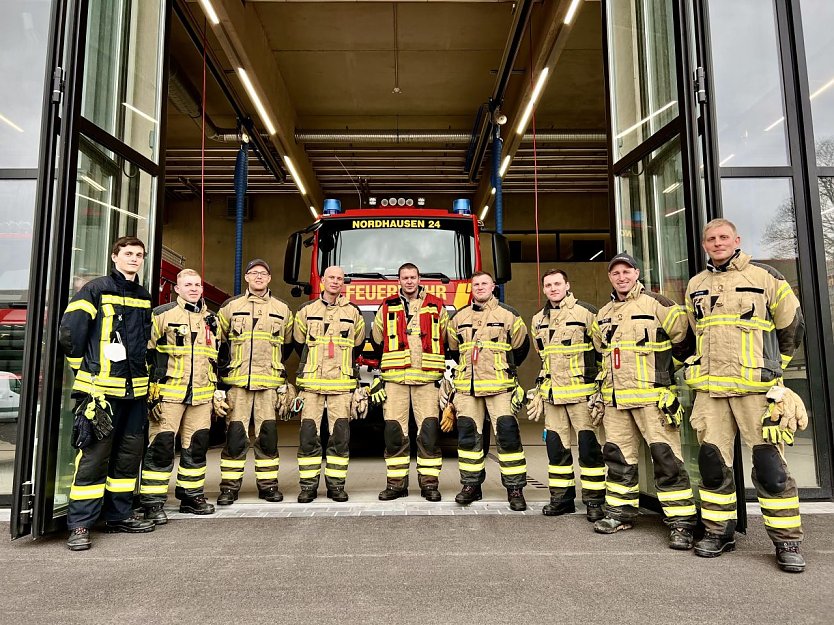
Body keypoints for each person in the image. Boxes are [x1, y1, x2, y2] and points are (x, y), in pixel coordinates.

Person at [685, 218, 806, 573]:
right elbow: (697, 332)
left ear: (737, 239)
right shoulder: (695, 285)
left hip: (757, 392)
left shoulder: (766, 277)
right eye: (711, 238)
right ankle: (718, 532)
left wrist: (773, 373)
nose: (718, 243)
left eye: (724, 237)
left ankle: (787, 540)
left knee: (772, 469)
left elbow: (792, 327)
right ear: (705, 244)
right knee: (711, 465)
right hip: (711, 391)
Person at [590, 252, 697, 550]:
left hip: (652, 398)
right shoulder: (603, 313)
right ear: (610, 278)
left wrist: (666, 377)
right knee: (618, 458)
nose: (621, 277)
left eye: (626, 271)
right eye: (615, 273)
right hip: (616, 401)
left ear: (637, 273)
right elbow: (602, 351)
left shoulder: (660, 304)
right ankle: (619, 513)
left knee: (667, 459)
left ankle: (680, 523)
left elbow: (685, 342)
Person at [59, 236, 155, 551]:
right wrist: (83, 373)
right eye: (128, 254)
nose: (134, 259)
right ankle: (81, 525)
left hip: (135, 394)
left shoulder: (144, 296)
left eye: (139, 255)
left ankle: (119, 516)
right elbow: (70, 333)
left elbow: (145, 344)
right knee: (93, 459)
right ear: (114, 256)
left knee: (128, 459)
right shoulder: (95, 290)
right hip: (100, 394)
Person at [139, 269, 219, 524]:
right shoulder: (162, 314)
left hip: (202, 395)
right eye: (188, 284)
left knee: (196, 446)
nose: (194, 288)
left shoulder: (212, 320)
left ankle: (191, 495)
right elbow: (146, 352)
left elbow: (218, 358)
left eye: (197, 284)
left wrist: (217, 391)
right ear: (177, 288)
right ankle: (152, 502)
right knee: (161, 446)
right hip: (169, 394)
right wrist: (150, 390)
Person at [446, 271, 530, 511]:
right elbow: (454, 349)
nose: (480, 287)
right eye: (476, 284)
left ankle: (515, 488)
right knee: (468, 438)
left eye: (484, 283)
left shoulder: (509, 315)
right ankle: (471, 486)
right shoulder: (459, 317)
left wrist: (503, 370)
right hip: (467, 389)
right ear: (471, 288)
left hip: (499, 387)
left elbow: (521, 348)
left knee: (508, 437)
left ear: (493, 286)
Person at [528, 269, 605, 520]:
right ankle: (561, 499)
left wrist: (600, 388)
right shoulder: (538, 319)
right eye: (548, 285)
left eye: (557, 283)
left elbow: (602, 350)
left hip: (582, 395)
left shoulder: (587, 313)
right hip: (553, 397)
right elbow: (544, 357)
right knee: (556, 449)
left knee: (588, 449)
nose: (553, 288)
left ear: (567, 285)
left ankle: (594, 501)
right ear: (543, 289)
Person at [215, 259, 294, 506]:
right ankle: (229, 488)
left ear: (269, 279)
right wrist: (220, 382)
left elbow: (289, 345)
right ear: (247, 277)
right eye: (254, 273)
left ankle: (268, 487)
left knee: (267, 438)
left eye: (263, 273)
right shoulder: (230, 307)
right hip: (237, 384)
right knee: (235, 438)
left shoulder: (282, 309)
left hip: (268, 385)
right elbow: (218, 344)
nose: (259, 277)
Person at [370, 263, 449, 501]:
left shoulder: (436, 305)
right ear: (399, 280)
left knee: (429, 433)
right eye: (405, 278)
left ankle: (429, 485)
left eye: (413, 277)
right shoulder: (386, 305)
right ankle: (396, 485)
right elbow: (377, 340)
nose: (409, 281)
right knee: (394, 433)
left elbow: (445, 339)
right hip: (396, 380)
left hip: (426, 380)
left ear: (419, 278)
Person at [293, 265, 365, 503]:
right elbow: (298, 344)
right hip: (312, 385)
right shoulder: (306, 310)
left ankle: (336, 486)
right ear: (322, 280)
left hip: (341, 386)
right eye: (331, 277)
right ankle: (308, 487)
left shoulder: (354, 312)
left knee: (340, 438)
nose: (335, 282)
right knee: (308, 436)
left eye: (340, 279)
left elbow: (358, 345)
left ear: (344, 283)